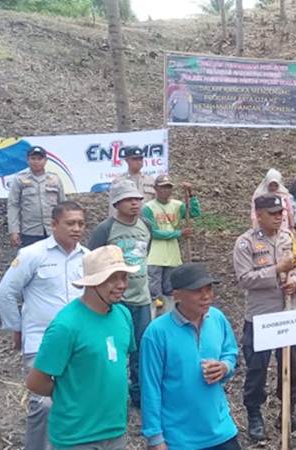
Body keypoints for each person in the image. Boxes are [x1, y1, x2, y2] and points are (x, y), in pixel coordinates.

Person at [25, 245, 139, 450]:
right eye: (113, 278)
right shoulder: (66, 325)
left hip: (115, 430)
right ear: (93, 281)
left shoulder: (123, 315)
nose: (121, 285)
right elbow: (36, 382)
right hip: (77, 436)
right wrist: (72, 395)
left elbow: (121, 364)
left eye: (124, 277)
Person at [0, 201, 88, 450]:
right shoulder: (32, 255)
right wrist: (17, 328)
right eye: (70, 223)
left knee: (75, 401)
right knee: (45, 403)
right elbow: (5, 293)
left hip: (80, 345)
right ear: (54, 224)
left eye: (80, 223)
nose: (76, 228)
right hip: (42, 342)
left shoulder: (88, 258)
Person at [233, 194, 296, 442]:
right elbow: (244, 278)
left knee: (293, 363)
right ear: (259, 215)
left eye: (281, 213)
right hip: (261, 316)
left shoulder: (288, 238)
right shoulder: (245, 243)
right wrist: (277, 271)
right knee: (257, 367)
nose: (279, 217)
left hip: (288, 314)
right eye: (273, 213)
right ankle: (254, 413)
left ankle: (288, 411)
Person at [140, 263, 241, 450]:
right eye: (197, 291)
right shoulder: (156, 333)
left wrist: (224, 367)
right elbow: (150, 388)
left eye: (209, 289)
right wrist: (155, 438)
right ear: (176, 294)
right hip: (179, 440)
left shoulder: (217, 318)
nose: (206, 296)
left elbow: (231, 352)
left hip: (222, 431)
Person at [88, 180, 153, 407]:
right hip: (116, 301)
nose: (135, 203)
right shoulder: (105, 229)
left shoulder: (146, 225)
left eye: (137, 199)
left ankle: (139, 394)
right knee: (113, 349)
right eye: (128, 199)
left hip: (142, 299)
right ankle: (111, 395)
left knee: (142, 349)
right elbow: (94, 262)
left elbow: (146, 254)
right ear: (116, 203)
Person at [142, 174, 201, 314]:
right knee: (153, 290)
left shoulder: (177, 205)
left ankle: (169, 315)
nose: (165, 191)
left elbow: (194, 212)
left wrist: (191, 195)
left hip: (172, 254)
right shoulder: (148, 208)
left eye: (168, 187)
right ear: (155, 189)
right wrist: (178, 234)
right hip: (155, 254)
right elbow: (154, 232)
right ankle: (152, 317)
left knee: (169, 289)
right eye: (162, 187)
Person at [7, 146, 66, 248]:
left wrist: (65, 228)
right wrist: (14, 231)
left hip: (52, 230)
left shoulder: (55, 179)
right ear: (28, 160)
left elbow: (63, 205)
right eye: (33, 159)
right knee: (31, 261)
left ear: (46, 160)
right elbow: (13, 205)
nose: (36, 162)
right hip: (30, 231)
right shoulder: (19, 180)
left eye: (40, 159)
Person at [109, 146, 155, 216]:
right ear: (126, 160)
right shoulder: (119, 181)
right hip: (127, 221)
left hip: (147, 220)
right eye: (135, 159)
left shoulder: (151, 180)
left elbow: (156, 204)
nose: (138, 162)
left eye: (140, 159)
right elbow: (113, 206)